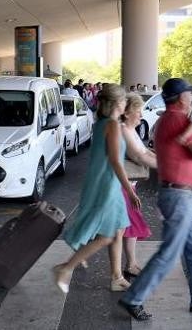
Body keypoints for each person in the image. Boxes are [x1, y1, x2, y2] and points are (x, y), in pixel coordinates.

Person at [118, 78, 192, 321]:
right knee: (169, 253)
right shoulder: (179, 120)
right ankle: (134, 297)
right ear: (181, 98)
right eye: (189, 93)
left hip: (184, 194)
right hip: (180, 196)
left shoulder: (167, 119)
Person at [53, 84, 141, 294]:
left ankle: (117, 277)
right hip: (108, 185)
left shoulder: (103, 123)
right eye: (124, 101)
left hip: (108, 182)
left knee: (118, 229)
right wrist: (129, 190)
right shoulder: (111, 125)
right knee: (107, 235)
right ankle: (66, 268)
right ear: (118, 103)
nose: (126, 104)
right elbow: (115, 161)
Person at [120, 93, 157, 279]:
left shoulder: (130, 130)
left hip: (128, 184)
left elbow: (144, 152)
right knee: (121, 227)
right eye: (138, 111)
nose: (141, 115)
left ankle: (130, 264)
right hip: (121, 186)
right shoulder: (123, 130)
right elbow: (139, 156)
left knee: (128, 225)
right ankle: (75, 259)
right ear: (127, 113)